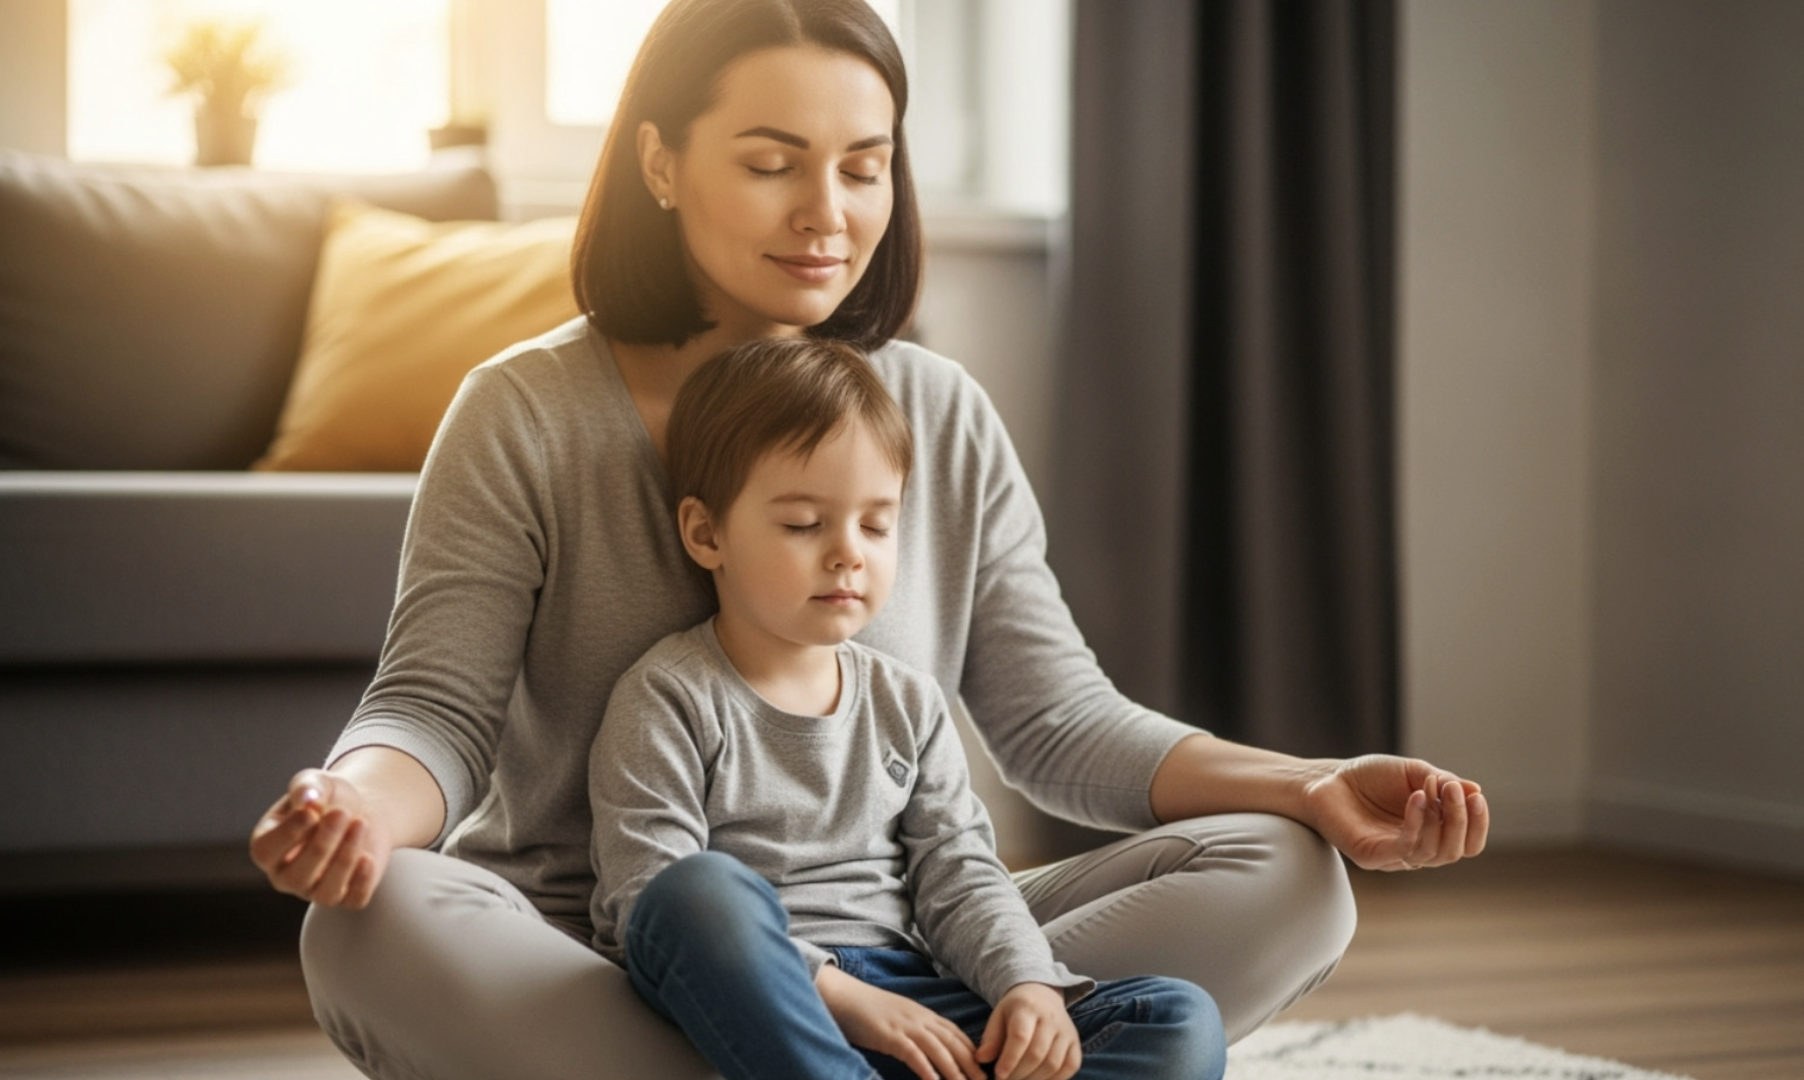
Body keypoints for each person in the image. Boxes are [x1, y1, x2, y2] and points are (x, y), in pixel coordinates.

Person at [249, 2, 1489, 1078]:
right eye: (772, 162)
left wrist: (1309, 785)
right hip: (601, 942)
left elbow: (1056, 724)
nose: (825, 214)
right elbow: (436, 713)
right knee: (370, 913)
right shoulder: (522, 412)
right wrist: (350, 806)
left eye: (863, 165)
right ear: (661, 163)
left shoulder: (938, 412)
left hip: (910, 950)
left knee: (1289, 870)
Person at [590, 335, 1224, 1080]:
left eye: (876, 524)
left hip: (916, 1002)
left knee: (1177, 1021)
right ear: (706, 532)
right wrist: (842, 998)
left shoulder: (908, 703)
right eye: (803, 524)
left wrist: (1027, 984)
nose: (847, 553)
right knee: (695, 892)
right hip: (770, 1005)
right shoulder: (667, 696)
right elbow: (642, 905)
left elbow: (958, 870)